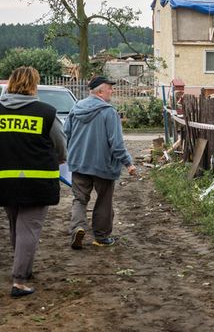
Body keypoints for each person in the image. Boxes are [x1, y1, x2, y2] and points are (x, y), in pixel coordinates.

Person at [0, 66, 66, 297]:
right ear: (32, 85)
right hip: (37, 182)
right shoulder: (46, 112)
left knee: (16, 225)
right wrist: (60, 159)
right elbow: (60, 145)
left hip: (5, 182)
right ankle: (19, 280)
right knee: (29, 229)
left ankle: (24, 269)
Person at [65, 76, 136, 249]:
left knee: (79, 199)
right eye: (109, 88)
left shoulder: (76, 108)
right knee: (104, 200)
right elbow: (116, 144)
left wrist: (73, 153)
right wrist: (128, 163)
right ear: (100, 91)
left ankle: (78, 228)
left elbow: (66, 132)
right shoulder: (108, 112)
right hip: (103, 165)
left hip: (79, 163)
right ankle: (101, 237)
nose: (112, 91)